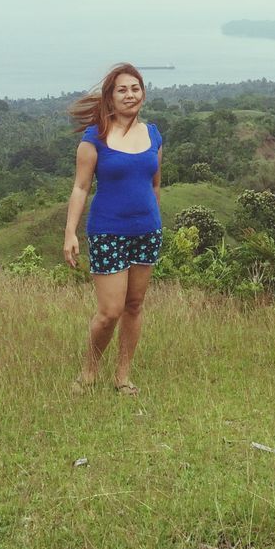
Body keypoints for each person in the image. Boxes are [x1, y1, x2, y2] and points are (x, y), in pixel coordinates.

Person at [64, 63, 163, 395]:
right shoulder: (95, 138)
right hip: (108, 232)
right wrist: (70, 233)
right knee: (109, 311)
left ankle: (122, 376)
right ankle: (89, 371)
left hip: (147, 231)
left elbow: (155, 186)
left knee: (134, 305)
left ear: (143, 94)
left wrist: (156, 223)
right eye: (122, 89)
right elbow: (80, 188)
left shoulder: (153, 135)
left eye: (135, 88)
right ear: (110, 97)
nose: (130, 94)